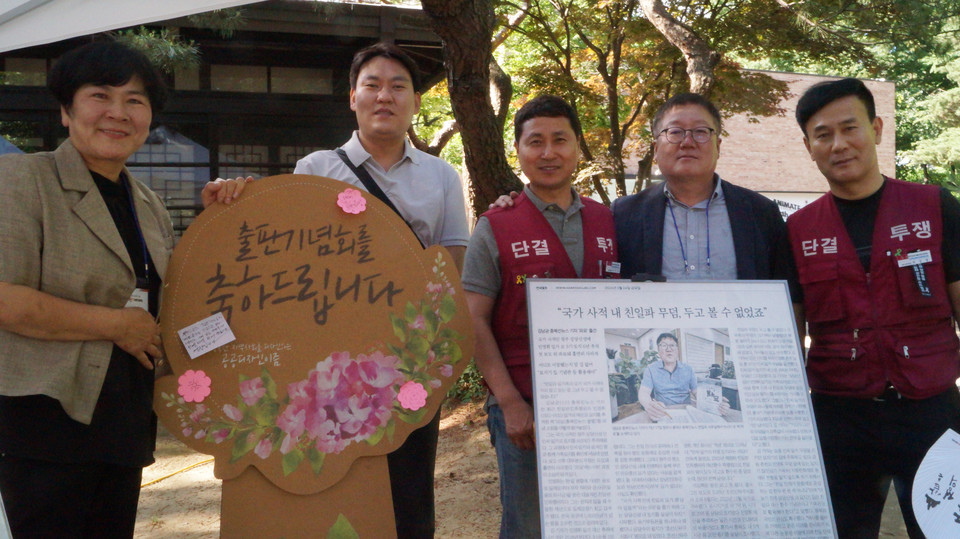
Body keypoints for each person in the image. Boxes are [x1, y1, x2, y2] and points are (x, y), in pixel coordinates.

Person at [0, 40, 245, 538]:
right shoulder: (23, 180)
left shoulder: (148, 203)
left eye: (134, 100)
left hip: (122, 422)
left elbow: (173, 306)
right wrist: (118, 325)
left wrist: (221, 225)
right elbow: (7, 300)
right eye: (100, 96)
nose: (118, 113)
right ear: (66, 110)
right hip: (45, 426)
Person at [293, 42, 470, 538]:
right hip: (328, 365)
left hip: (409, 359)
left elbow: (450, 266)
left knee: (409, 493)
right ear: (353, 97)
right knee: (336, 488)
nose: (384, 96)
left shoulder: (441, 175)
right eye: (372, 85)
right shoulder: (314, 170)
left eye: (398, 87)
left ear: (415, 101)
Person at [788, 77, 960, 538]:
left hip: (930, 411)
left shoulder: (934, 206)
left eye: (851, 128)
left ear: (877, 129)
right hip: (841, 417)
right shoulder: (799, 230)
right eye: (823, 135)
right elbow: (792, 331)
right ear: (809, 146)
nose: (839, 145)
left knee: (944, 530)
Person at [463, 95, 619, 538]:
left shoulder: (609, 221)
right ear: (519, 151)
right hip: (526, 407)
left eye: (560, 140)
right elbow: (473, 321)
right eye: (536, 142)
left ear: (577, 148)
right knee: (528, 526)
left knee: (597, 520)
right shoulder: (495, 226)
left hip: (599, 404)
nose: (548, 153)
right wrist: (510, 404)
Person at [611, 93, 790, 282]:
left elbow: (786, 294)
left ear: (718, 147)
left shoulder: (761, 212)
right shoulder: (624, 214)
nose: (688, 142)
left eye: (701, 132)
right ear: (656, 149)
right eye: (675, 132)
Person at [637, 333, 697, 420]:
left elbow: (696, 391)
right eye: (664, 345)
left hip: (685, 411)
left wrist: (712, 402)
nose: (669, 349)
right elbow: (644, 393)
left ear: (677, 350)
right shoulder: (651, 369)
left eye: (672, 345)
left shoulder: (688, 369)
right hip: (663, 412)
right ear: (658, 350)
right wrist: (649, 405)